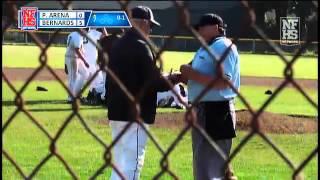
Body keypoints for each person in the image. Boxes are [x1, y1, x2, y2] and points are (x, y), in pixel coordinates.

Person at [107, 6, 181, 180]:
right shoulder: (141, 46)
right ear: (143, 23)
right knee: (133, 164)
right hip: (136, 115)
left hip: (116, 110)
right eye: (150, 25)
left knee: (119, 163)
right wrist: (174, 79)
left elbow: (134, 76)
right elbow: (153, 82)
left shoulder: (117, 43)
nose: (151, 30)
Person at [180, 13, 240, 180]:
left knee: (209, 169)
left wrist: (191, 73)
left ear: (216, 27)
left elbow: (224, 82)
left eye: (201, 27)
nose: (198, 31)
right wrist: (181, 75)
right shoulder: (205, 47)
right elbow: (193, 75)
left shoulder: (223, 46)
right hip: (203, 109)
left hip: (216, 111)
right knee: (208, 165)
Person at [64, 30, 90, 102]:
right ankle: (70, 97)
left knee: (85, 73)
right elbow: (77, 50)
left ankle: (77, 93)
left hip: (75, 58)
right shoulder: (77, 36)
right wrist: (84, 61)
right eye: (86, 31)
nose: (86, 33)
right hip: (72, 58)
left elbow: (70, 48)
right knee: (73, 78)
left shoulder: (73, 34)